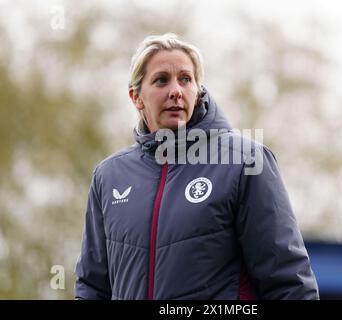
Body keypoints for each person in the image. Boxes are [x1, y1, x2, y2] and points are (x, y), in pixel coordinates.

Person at [74, 33, 319, 300]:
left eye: (185, 79)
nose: (176, 90)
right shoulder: (109, 176)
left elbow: (288, 281)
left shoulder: (245, 161)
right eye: (161, 80)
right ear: (136, 97)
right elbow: (92, 286)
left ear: (197, 90)